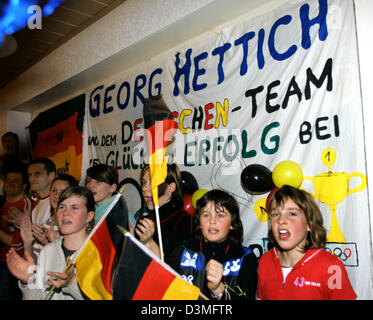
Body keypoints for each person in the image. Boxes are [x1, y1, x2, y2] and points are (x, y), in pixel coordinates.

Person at [257, 185, 357, 300]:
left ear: (309, 224)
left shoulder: (331, 267)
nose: (281, 220)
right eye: (275, 214)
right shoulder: (265, 261)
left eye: (292, 214)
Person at [6, 185, 95, 300]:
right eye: (61, 207)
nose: (65, 213)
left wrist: (72, 284)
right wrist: (28, 281)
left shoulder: (98, 252)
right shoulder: (47, 251)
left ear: (89, 216)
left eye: (74, 208)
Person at [167, 189, 258, 300]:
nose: (212, 221)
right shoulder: (183, 251)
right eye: (206, 215)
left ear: (232, 224)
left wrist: (219, 290)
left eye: (220, 216)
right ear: (199, 223)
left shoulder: (245, 257)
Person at [134, 163, 193, 259]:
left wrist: (149, 242)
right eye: (144, 182)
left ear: (171, 187)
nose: (144, 188)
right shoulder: (144, 220)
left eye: (153, 182)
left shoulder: (183, 220)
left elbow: (176, 268)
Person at [0, 167, 36, 300]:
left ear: (24, 185)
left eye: (16, 180)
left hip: (12, 264)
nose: (10, 183)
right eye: (8, 180)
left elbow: (17, 244)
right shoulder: (4, 205)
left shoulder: (27, 204)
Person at [20, 174, 79, 248]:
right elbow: (35, 258)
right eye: (54, 191)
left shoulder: (77, 224)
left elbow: (75, 257)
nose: (57, 196)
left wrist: (47, 243)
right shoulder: (47, 225)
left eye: (63, 192)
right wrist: (27, 243)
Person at [24, 158, 56, 260]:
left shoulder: (57, 203)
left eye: (37, 174)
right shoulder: (35, 207)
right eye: (29, 175)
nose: (32, 179)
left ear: (51, 176)